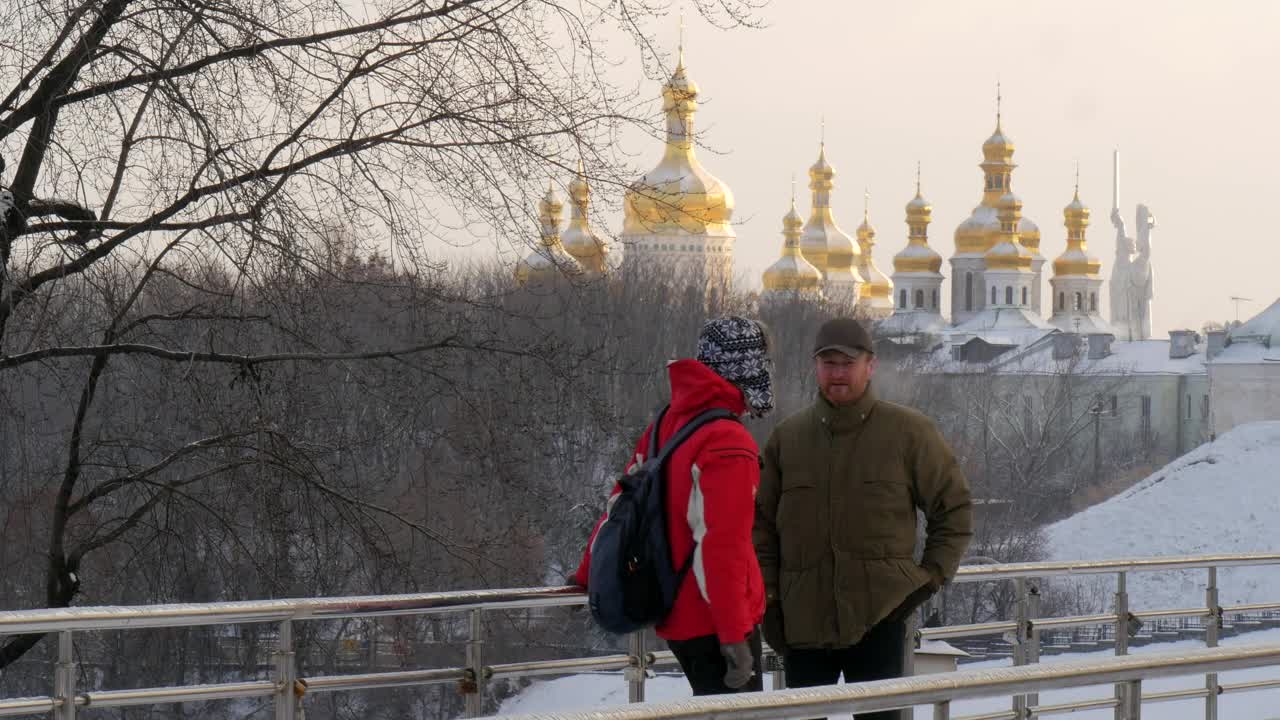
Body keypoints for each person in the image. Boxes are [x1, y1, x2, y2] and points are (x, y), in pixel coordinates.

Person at [754, 317, 972, 718]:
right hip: (803, 622)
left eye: (847, 363)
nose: (838, 373)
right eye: (828, 363)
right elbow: (762, 527)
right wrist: (771, 599)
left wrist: (929, 578)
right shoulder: (788, 438)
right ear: (814, 366)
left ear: (870, 366)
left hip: (880, 617)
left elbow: (953, 507)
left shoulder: (908, 432)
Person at [571, 316, 774, 695]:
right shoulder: (728, 441)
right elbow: (722, 545)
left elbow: (620, 505)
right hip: (714, 621)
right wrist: (733, 634)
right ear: (746, 367)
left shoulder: (668, 422)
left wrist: (586, 574)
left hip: (671, 610)